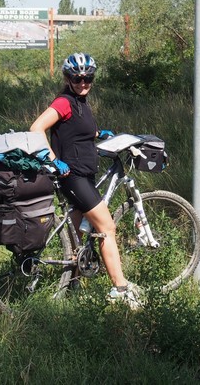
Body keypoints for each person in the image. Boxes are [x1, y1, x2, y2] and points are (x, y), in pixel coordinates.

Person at [29, 52, 141, 309]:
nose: (83, 82)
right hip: (73, 177)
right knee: (107, 228)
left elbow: (76, 130)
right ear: (68, 78)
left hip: (83, 175)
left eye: (87, 78)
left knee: (79, 238)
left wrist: (98, 133)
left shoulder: (81, 102)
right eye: (77, 78)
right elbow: (36, 128)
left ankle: (72, 287)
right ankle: (120, 289)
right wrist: (53, 160)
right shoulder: (64, 102)